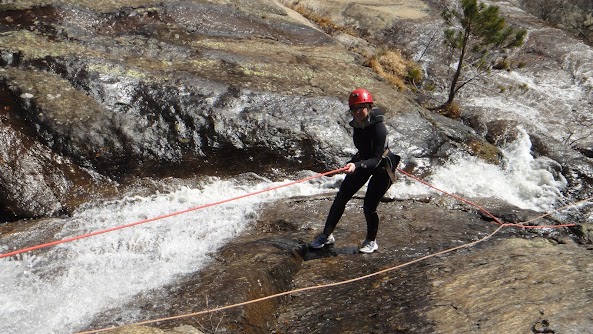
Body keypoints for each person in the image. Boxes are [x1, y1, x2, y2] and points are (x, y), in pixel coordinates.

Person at [310, 88, 395, 253]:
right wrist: (352, 163)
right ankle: (327, 235)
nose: (357, 112)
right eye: (353, 108)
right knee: (341, 197)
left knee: (369, 206)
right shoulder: (358, 124)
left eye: (361, 108)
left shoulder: (379, 128)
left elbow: (376, 159)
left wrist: (356, 166)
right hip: (363, 161)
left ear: (369, 107)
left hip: (382, 168)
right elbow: (364, 150)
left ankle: (371, 241)